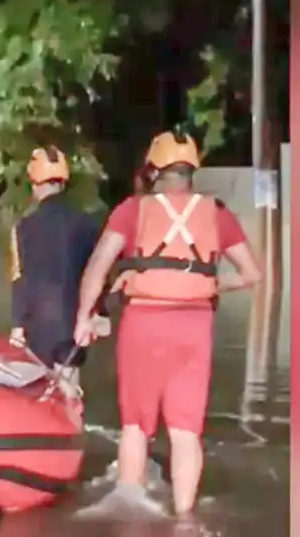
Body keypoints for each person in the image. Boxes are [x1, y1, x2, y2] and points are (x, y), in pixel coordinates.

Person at [73, 131, 262, 516]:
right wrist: (209, 284)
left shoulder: (131, 210)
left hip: (143, 325)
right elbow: (252, 274)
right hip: (194, 329)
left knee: (135, 427)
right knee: (186, 432)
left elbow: (97, 268)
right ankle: (185, 519)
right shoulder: (217, 213)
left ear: (153, 171)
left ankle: (129, 515)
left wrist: (84, 318)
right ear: (192, 171)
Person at [8, 145, 111, 394]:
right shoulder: (87, 224)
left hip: (37, 326)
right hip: (72, 323)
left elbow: (19, 279)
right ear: (63, 184)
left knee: (40, 395)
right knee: (69, 393)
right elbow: (97, 272)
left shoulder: (22, 228)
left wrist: (17, 325)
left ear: (34, 184)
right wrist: (99, 313)